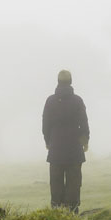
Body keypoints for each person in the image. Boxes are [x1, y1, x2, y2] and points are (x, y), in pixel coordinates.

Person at [42, 69, 90, 212]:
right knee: (73, 185)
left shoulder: (50, 101)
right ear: (70, 82)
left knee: (56, 186)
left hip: (55, 150)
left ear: (58, 82)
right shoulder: (78, 101)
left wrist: (48, 142)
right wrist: (85, 141)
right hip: (74, 150)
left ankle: (57, 215)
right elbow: (84, 123)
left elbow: (45, 125)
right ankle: (73, 214)